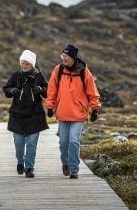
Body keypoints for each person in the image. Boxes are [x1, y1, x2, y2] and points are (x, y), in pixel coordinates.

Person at [45, 44, 101, 179]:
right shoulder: (58, 70)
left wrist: (95, 109)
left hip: (78, 114)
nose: (63, 58)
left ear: (73, 57)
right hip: (63, 112)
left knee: (74, 141)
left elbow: (92, 91)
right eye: (62, 55)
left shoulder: (83, 71)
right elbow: (52, 90)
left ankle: (74, 169)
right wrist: (50, 107)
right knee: (63, 143)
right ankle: (65, 163)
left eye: (66, 56)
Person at [2, 49, 49, 178]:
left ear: (32, 64)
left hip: (35, 115)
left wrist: (41, 89)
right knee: (19, 145)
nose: (24, 65)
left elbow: (49, 91)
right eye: (22, 63)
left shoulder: (39, 76)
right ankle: (20, 161)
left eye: (26, 63)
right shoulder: (16, 75)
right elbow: (6, 89)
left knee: (31, 144)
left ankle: (29, 168)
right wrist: (12, 91)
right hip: (17, 115)